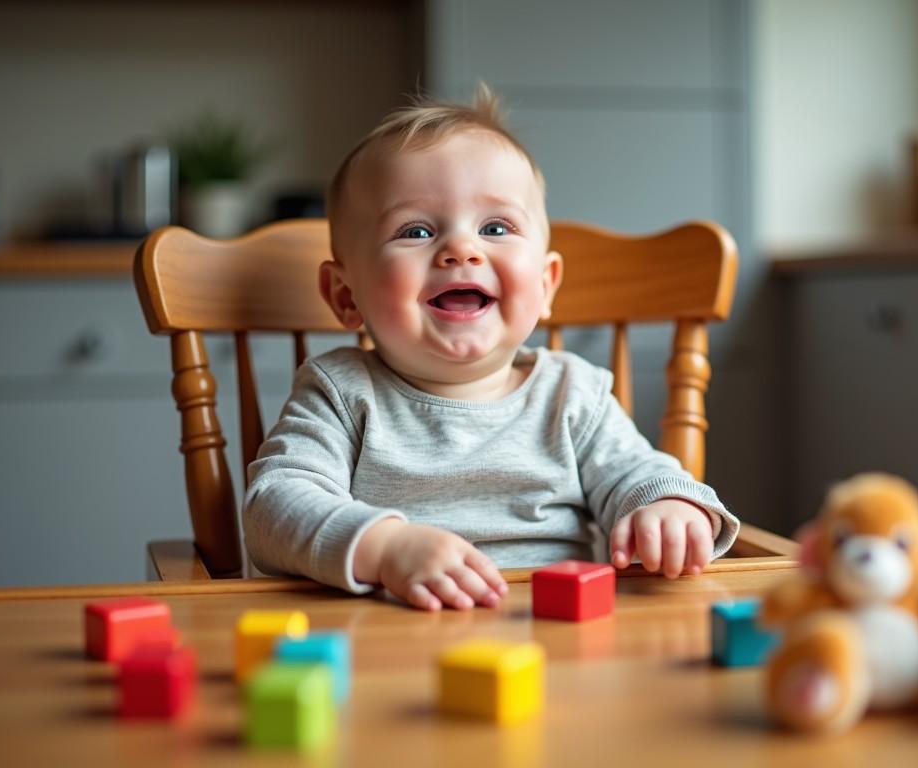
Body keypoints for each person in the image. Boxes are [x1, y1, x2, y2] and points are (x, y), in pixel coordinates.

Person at [244, 86, 740, 611]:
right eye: (415, 230)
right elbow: (274, 506)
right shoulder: (341, 392)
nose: (462, 248)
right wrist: (383, 547)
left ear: (546, 285)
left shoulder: (572, 394)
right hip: (392, 640)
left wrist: (666, 505)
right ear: (347, 296)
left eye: (496, 227)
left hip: (555, 636)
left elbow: (638, 473)